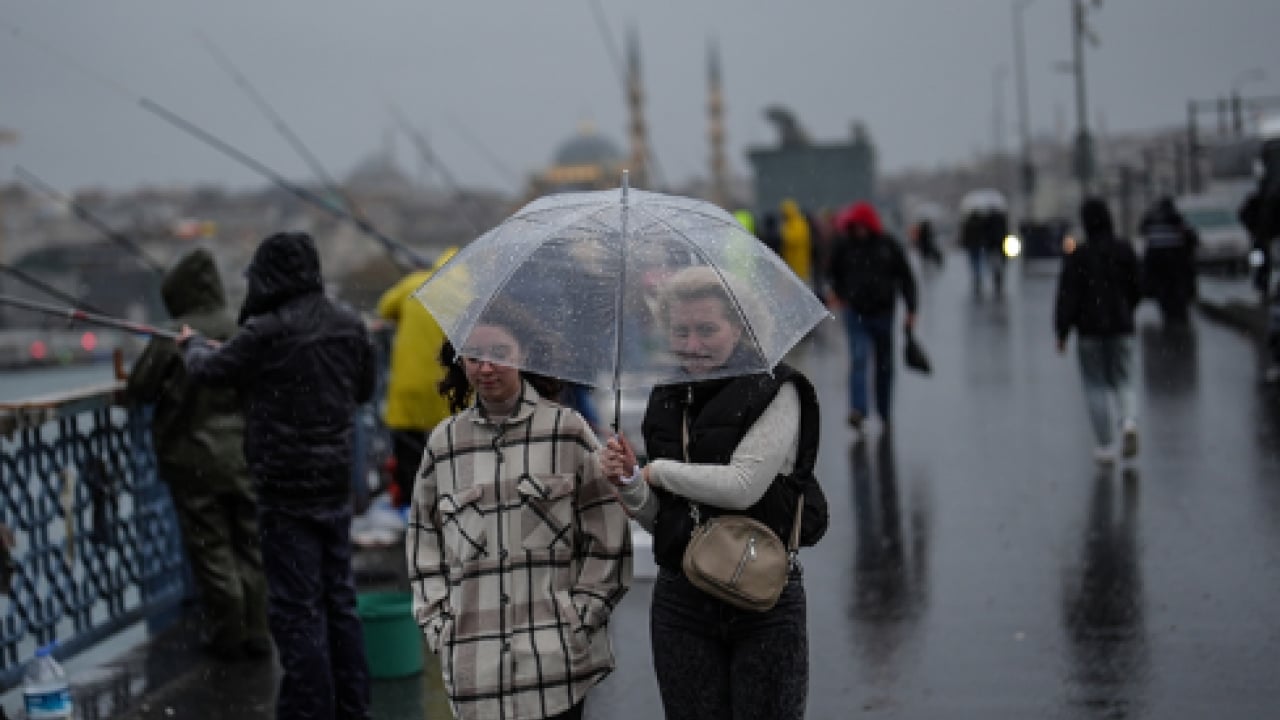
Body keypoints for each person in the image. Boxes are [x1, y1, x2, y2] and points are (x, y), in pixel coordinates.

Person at [601, 265, 827, 720]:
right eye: (680, 330)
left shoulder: (779, 389)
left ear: (740, 328)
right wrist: (628, 481)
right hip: (682, 600)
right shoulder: (666, 396)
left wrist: (655, 470)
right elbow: (658, 516)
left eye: (707, 329)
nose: (692, 344)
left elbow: (743, 487)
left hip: (763, 593)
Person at [178, 231, 376, 720]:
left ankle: (308, 709)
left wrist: (191, 346)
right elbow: (365, 389)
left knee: (296, 609)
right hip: (333, 482)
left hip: (284, 489)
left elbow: (210, 371)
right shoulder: (349, 325)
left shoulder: (265, 331)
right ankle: (352, 706)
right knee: (340, 601)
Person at [406, 300, 633, 720]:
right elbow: (424, 545)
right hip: (475, 673)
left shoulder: (566, 430)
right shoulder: (444, 444)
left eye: (498, 355)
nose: (485, 368)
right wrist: (442, 628)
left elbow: (607, 538)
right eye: (473, 356)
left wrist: (579, 620)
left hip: (557, 670)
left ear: (523, 355)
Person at [124, 247, 270, 662]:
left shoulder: (174, 336)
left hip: (193, 460)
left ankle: (229, 633)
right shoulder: (243, 327)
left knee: (212, 549)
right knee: (250, 544)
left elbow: (139, 390)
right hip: (244, 454)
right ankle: (258, 629)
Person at [1054, 198, 1142, 464]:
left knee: (1096, 385)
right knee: (1124, 379)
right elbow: (1138, 285)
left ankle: (1105, 446)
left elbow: (1067, 297)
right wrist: (1127, 308)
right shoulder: (1123, 250)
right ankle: (1128, 421)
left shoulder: (1079, 256)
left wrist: (1062, 331)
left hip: (1089, 331)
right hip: (1121, 326)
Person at [825, 201, 918, 431]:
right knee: (859, 359)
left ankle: (884, 412)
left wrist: (912, 309)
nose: (858, 231)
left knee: (884, 365)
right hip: (855, 313)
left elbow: (906, 278)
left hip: (883, 314)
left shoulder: (888, 245)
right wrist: (839, 294)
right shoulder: (844, 246)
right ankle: (858, 410)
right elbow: (832, 274)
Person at [376, 247, 458, 510]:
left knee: (410, 453)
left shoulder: (417, 284)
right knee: (451, 453)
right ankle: (447, 505)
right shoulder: (471, 294)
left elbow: (384, 307)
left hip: (409, 386)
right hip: (450, 388)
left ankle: (415, 509)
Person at [1138, 197, 1197, 326]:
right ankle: (1178, 314)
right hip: (1174, 261)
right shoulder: (1175, 218)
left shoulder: (1152, 218)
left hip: (1157, 262)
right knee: (1177, 287)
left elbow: (1142, 230)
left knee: (1162, 288)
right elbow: (1189, 236)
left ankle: (1170, 312)